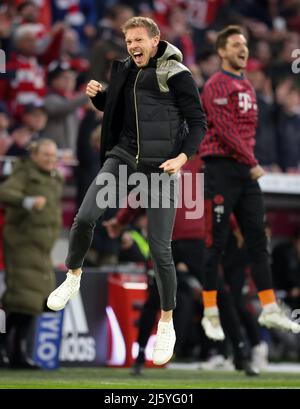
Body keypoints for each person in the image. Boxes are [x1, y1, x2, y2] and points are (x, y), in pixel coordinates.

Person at [47, 16, 207, 366]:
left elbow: (198, 122)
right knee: (84, 217)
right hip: (123, 158)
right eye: (129, 41)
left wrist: (182, 157)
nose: (133, 46)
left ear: (155, 39)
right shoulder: (124, 70)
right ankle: (73, 275)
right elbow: (116, 111)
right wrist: (101, 97)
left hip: (162, 166)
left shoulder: (177, 73)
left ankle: (166, 323)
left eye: (138, 40)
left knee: (161, 251)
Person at [199, 25, 300, 341]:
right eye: (235, 44)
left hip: (244, 171)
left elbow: (246, 132)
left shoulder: (247, 87)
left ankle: (270, 308)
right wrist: (252, 161)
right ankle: (210, 311)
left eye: (245, 44)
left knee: (258, 239)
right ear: (221, 51)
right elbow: (225, 130)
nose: (243, 49)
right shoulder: (216, 84)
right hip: (222, 169)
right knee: (215, 242)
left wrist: (249, 162)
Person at [0, 139, 63, 368]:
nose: (50, 159)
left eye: (53, 155)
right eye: (45, 154)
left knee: (34, 303)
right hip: (22, 245)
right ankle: (6, 347)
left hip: (42, 250)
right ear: (34, 155)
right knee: (20, 301)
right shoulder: (24, 173)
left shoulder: (55, 177)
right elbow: (5, 193)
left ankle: (18, 352)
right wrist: (27, 201)